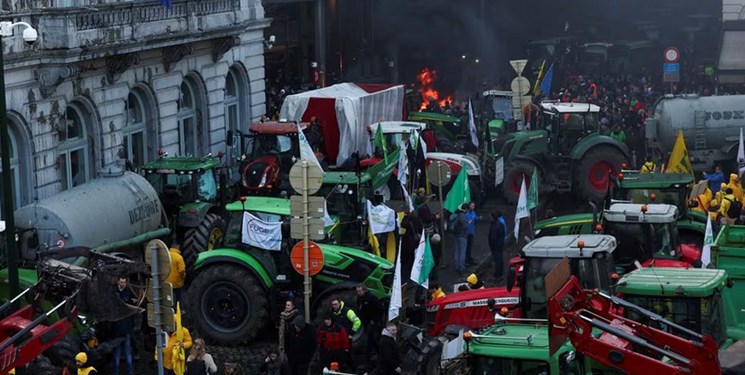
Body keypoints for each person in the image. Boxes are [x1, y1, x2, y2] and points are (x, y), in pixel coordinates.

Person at [111, 276, 136, 375]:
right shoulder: (115, 292)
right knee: (122, 352)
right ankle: (120, 372)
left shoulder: (125, 292)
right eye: (121, 282)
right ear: (118, 282)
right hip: (121, 330)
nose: (123, 284)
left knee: (123, 352)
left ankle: (126, 372)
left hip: (122, 330)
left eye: (124, 282)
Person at [356, 284, 381, 360]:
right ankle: (376, 353)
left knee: (370, 339)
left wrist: (373, 321)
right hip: (365, 321)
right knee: (371, 339)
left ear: (364, 290)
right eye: (357, 291)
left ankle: (369, 356)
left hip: (371, 322)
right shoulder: (360, 298)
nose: (358, 293)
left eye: (360, 291)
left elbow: (378, 310)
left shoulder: (372, 298)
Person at [449, 204, 470, 274]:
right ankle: (461, 267)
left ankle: (456, 265)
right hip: (462, 235)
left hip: (456, 235)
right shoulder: (463, 216)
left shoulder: (457, 214)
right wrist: (468, 223)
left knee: (457, 251)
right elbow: (465, 226)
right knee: (462, 251)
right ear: (466, 209)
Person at [488, 211, 506, 280]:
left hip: (496, 245)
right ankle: (500, 272)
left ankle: (498, 274)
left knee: (498, 259)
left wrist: (492, 244)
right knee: (500, 258)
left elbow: (493, 237)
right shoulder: (500, 224)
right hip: (500, 244)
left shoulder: (495, 226)